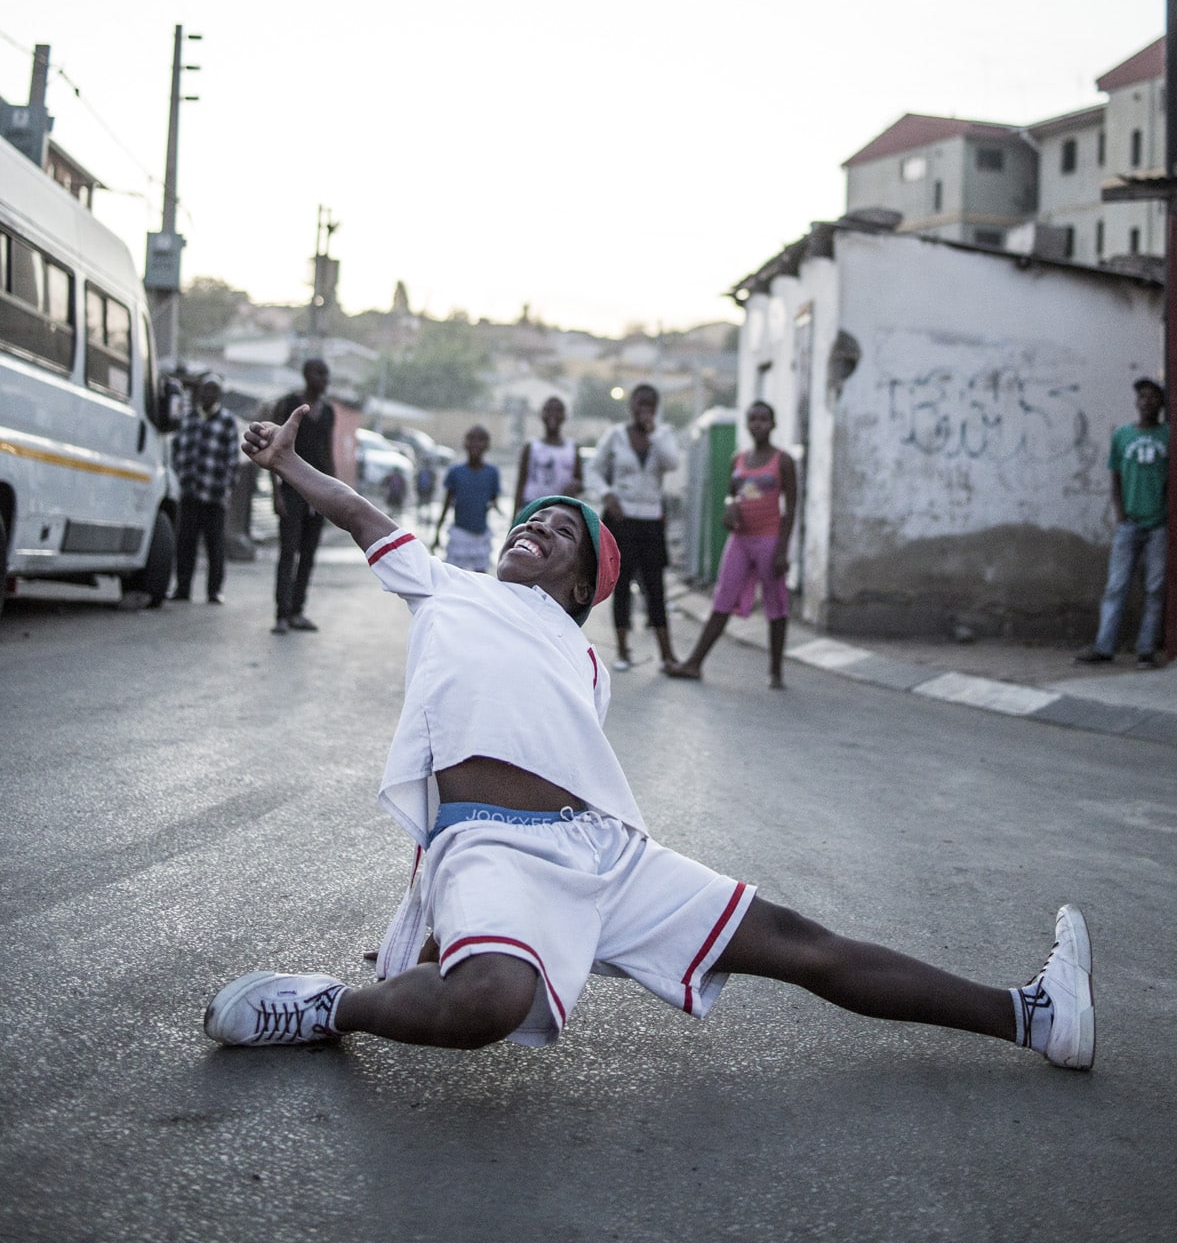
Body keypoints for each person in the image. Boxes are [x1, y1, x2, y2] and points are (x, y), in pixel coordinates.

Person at [204, 405, 1096, 1075]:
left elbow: (546, 748)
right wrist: (290, 464)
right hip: (491, 846)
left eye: (558, 532)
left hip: (604, 853)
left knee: (795, 938)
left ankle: (1032, 1014)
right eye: (532, 519)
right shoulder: (446, 587)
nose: (534, 528)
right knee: (490, 999)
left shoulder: (586, 664)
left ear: (584, 581)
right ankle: (333, 1009)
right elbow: (359, 513)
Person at [667, 401, 797, 690]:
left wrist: (782, 549)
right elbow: (732, 495)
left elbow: (791, 507)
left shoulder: (783, 461)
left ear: (773, 424)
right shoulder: (738, 459)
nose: (758, 424)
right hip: (740, 539)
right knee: (722, 599)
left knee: (776, 605)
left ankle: (776, 671)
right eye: (753, 419)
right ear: (747, 424)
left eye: (764, 419)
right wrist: (729, 507)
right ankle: (694, 663)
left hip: (769, 539)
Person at [1077, 377, 1169, 667]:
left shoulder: (1170, 435)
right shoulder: (1122, 436)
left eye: (1153, 396)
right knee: (1116, 586)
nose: (1146, 401)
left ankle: (1145, 651)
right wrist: (1119, 512)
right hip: (1129, 524)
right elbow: (1115, 476)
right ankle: (1104, 648)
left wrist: (1166, 512)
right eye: (1142, 396)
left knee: (1155, 588)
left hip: (1159, 525)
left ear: (1161, 403)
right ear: (1136, 402)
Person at [586, 384, 679, 671]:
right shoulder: (615, 435)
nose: (645, 409)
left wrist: (654, 434)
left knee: (655, 587)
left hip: (651, 519)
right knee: (622, 584)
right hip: (621, 518)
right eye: (640, 403)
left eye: (651, 404)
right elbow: (593, 469)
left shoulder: (663, 435)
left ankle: (667, 654)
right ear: (632, 405)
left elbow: (672, 462)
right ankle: (623, 651)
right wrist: (606, 494)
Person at [270, 358, 336, 636]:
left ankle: (298, 611)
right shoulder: (288, 405)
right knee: (288, 553)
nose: (324, 379)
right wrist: (276, 492)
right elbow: (272, 449)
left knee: (308, 554)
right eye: (319, 373)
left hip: (319, 491)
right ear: (307, 375)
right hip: (292, 489)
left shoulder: (329, 411)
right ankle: (281, 615)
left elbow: (327, 452)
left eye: (326, 374)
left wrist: (333, 493)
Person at [169, 373, 241, 604]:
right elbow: (177, 450)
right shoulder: (188, 419)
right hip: (189, 492)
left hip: (214, 495)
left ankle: (214, 590)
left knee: (214, 545)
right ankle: (183, 588)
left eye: (212, 390)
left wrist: (226, 484)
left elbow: (232, 458)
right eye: (204, 390)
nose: (207, 395)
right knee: (185, 543)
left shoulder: (227, 421)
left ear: (218, 394)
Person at [433, 426, 501, 571]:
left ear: (487, 445)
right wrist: (437, 534)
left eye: (480, 440)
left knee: (481, 579)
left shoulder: (492, 473)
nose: (475, 443)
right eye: (471, 439)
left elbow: (494, 500)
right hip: (460, 534)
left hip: (481, 535)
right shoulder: (456, 472)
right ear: (465, 443)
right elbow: (446, 506)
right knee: (453, 577)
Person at [512, 397, 583, 516]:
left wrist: (576, 484)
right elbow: (520, 483)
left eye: (558, 410)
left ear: (564, 416)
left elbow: (581, 481)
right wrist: (514, 516)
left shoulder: (572, 448)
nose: (553, 414)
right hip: (531, 507)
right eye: (548, 410)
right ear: (541, 415)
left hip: (560, 509)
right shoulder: (531, 446)